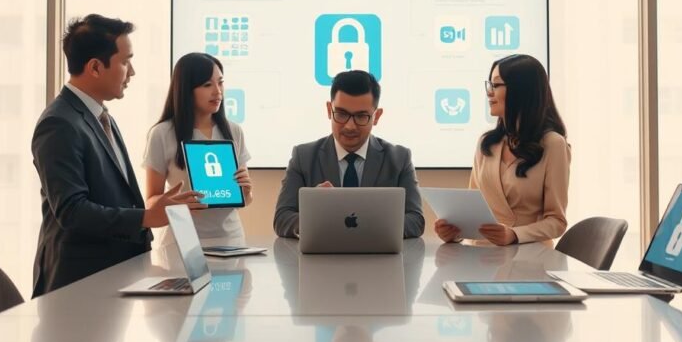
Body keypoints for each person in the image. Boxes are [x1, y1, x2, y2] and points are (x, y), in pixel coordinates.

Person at [31, 14, 202, 297]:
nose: (131, 72)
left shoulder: (100, 116)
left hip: (112, 276)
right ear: (96, 67)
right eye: (125, 61)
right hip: (78, 285)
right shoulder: (59, 123)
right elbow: (71, 211)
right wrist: (146, 218)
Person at [435, 54, 570, 246]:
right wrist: (454, 233)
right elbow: (472, 211)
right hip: (480, 256)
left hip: (530, 258)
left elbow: (557, 222)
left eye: (496, 85)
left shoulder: (553, 144)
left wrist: (514, 235)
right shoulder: (486, 143)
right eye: (489, 85)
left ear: (521, 91)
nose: (489, 92)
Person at [273, 70, 424, 239]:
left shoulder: (399, 158)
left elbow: (416, 220)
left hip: (379, 261)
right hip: (320, 261)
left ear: (376, 116)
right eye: (342, 114)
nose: (350, 126)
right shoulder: (303, 156)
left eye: (361, 116)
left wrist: (367, 225)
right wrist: (313, 213)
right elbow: (282, 220)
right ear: (329, 110)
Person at [143, 52, 253, 246]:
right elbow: (151, 201)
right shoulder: (162, 133)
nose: (217, 91)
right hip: (182, 241)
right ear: (186, 89)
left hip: (231, 240)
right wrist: (177, 203)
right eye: (207, 85)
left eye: (220, 83)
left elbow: (245, 199)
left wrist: (246, 190)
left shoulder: (234, 131)